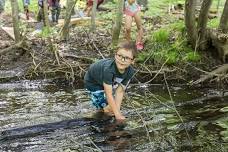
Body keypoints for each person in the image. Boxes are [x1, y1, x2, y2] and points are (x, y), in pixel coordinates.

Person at [84, 41, 137, 121]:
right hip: (93, 81)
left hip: (106, 80)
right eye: (119, 56)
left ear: (133, 60)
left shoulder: (130, 72)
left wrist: (117, 112)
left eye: (127, 58)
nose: (122, 60)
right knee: (106, 107)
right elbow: (108, 94)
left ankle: (104, 112)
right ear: (115, 55)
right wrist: (118, 115)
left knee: (112, 108)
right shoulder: (108, 70)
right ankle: (92, 116)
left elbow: (120, 92)